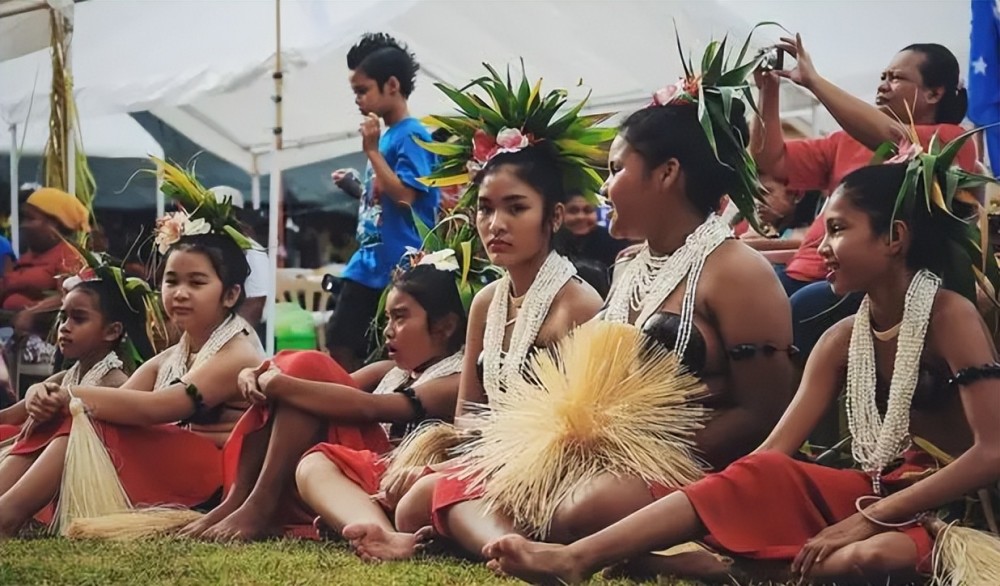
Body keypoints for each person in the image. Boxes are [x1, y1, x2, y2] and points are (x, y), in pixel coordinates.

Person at [482, 154, 1000, 586]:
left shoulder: (948, 315)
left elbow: (992, 452)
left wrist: (866, 521)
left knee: (867, 558)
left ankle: (717, 567)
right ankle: (582, 559)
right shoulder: (842, 339)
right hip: (872, 494)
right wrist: (700, 495)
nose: (820, 247)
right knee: (768, 476)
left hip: (954, 511)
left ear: (895, 238)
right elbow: (771, 454)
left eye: (838, 229)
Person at [343, 66, 607, 561]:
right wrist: (452, 462)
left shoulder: (578, 304)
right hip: (487, 461)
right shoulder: (487, 301)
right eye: (485, 208)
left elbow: (581, 435)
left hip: (557, 473)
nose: (495, 224)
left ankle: (519, 549)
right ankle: (479, 534)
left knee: (420, 497)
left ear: (553, 217)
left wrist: (454, 471)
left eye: (516, 208)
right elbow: (468, 415)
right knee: (408, 495)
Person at [0, 221, 263, 536]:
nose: (180, 293)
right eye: (171, 280)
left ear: (231, 294)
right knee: (80, 417)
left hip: (217, 476)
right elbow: (118, 406)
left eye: (196, 283)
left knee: (82, 412)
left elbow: (158, 407)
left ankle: (7, 516)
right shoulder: (171, 356)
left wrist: (68, 395)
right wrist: (42, 394)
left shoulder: (237, 352)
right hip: (180, 462)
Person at [178, 262, 468, 542]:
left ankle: (260, 504)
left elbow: (370, 407)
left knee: (307, 369)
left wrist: (282, 382)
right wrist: (253, 374)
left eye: (400, 318)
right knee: (304, 378)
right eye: (387, 319)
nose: (388, 330)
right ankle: (239, 499)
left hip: (390, 478)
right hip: (353, 468)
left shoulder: (454, 380)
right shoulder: (391, 372)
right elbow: (323, 387)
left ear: (445, 327)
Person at [752, 38, 978, 357]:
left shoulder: (953, 140)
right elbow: (770, 161)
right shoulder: (844, 139)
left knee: (800, 307)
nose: (883, 85)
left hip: (860, 281)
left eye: (896, 78)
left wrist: (814, 81)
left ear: (934, 93)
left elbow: (897, 139)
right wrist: (768, 90)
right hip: (802, 272)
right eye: (882, 76)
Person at [326, 33, 440, 372]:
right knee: (342, 342)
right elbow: (384, 199)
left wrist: (372, 152)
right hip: (368, 263)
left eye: (362, 90)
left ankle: (365, 409)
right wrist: (358, 188)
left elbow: (406, 196)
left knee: (366, 349)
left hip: (396, 267)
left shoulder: (412, 134)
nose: (358, 100)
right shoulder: (388, 135)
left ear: (391, 85)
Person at [0, 262, 158, 443]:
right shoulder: (65, 377)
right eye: (63, 317)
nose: (65, 327)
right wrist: (33, 394)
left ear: (112, 331)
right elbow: (8, 417)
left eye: (79, 318)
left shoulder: (115, 383)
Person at [0, 187, 88, 313]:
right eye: (23, 219)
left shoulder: (70, 259)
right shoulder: (27, 257)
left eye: (30, 219)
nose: (23, 225)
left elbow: (69, 300)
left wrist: (33, 313)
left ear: (54, 224)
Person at [209, 186, 270, 339]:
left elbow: (255, 304)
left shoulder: (253, 251)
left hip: (246, 337)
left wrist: (225, 341)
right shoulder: (210, 247)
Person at [554, 192, 626, 270]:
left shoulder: (613, 242)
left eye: (588, 211)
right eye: (573, 211)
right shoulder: (549, 243)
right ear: (559, 215)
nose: (581, 217)